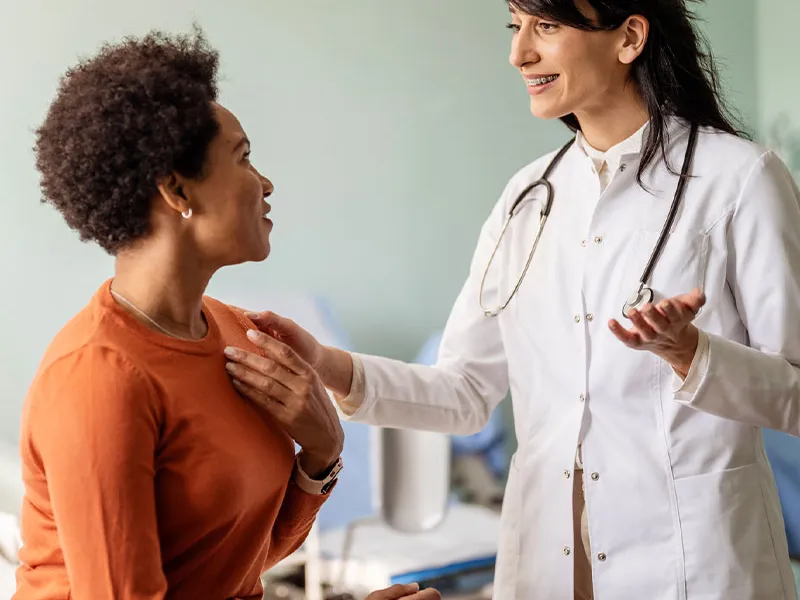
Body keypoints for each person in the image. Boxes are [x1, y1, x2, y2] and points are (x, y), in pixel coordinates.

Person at [225, 1, 800, 599]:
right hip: (545, 569)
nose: (519, 53)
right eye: (516, 27)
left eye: (546, 27)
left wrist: (692, 355)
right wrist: (326, 363)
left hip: (697, 563)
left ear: (629, 37)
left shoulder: (740, 180)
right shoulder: (527, 197)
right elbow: (466, 392)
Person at [15, 28, 439, 600]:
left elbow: (230, 566)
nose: (265, 184)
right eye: (243, 158)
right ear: (175, 190)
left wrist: (321, 457)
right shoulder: (98, 378)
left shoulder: (237, 334)